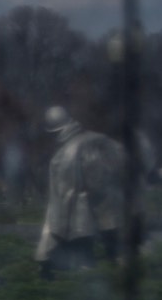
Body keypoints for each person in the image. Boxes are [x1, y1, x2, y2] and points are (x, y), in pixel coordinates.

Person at [35, 106, 124, 276]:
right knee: (87, 258)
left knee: (85, 260)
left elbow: (95, 181)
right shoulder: (87, 142)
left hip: (77, 216)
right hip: (80, 215)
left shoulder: (69, 150)